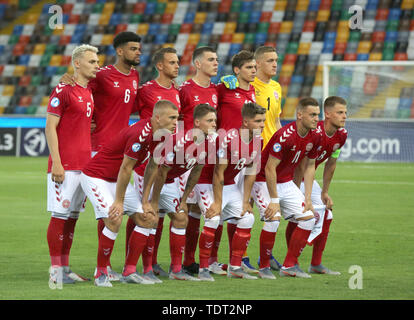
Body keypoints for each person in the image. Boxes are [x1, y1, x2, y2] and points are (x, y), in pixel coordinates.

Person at [60, 31, 142, 281]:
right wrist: (67, 80)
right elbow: (78, 91)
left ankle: (103, 267)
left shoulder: (135, 76)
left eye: (139, 49)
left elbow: (130, 106)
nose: (138, 52)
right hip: (99, 150)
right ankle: (71, 268)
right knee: (76, 211)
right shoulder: (103, 75)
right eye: (133, 48)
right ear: (119, 51)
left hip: (122, 151)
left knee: (114, 210)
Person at [80, 100, 179, 287]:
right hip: (96, 177)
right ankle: (101, 272)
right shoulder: (140, 133)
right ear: (158, 118)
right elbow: (126, 168)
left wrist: (145, 201)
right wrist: (119, 201)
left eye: (177, 118)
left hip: (116, 179)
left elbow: (152, 166)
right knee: (115, 218)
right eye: (172, 118)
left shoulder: (163, 135)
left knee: (147, 217)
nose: (176, 122)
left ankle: (130, 271)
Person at [45, 44, 100, 289]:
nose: (96, 65)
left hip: (84, 166)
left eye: (97, 61)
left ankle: (65, 268)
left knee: (72, 218)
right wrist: (56, 162)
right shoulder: (63, 90)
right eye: (91, 61)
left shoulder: (87, 92)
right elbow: (50, 127)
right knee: (60, 215)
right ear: (77, 63)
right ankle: (56, 271)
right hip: (64, 165)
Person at [146, 103, 218, 281]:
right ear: (197, 123)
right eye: (210, 120)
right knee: (150, 219)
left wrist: (184, 199)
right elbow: (160, 171)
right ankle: (147, 268)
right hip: (150, 178)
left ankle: (176, 270)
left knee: (180, 218)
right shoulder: (180, 141)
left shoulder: (208, 143)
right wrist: (154, 201)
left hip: (169, 181)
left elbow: (196, 171)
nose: (214, 124)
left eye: (215, 120)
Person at [252, 97, 322, 278]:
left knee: (308, 218)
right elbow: (269, 168)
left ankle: (289, 266)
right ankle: (264, 267)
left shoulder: (315, 136)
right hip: (263, 181)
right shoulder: (285, 136)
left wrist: (307, 197)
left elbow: (309, 166)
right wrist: (275, 201)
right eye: (312, 114)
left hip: (285, 182)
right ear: (300, 115)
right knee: (273, 220)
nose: (316, 118)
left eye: (318, 114)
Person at [195, 102, 265, 280]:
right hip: (206, 183)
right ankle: (203, 268)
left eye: (263, 121)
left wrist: (245, 201)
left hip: (229, 184)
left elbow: (250, 171)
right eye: (258, 121)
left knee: (248, 217)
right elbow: (217, 172)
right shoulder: (229, 138)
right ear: (246, 122)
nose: (262, 125)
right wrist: (217, 203)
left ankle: (235, 266)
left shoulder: (259, 140)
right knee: (213, 218)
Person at [131, 47, 181, 278]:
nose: (177, 66)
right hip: (146, 163)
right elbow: (121, 109)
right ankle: (142, 266)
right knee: (146, 213)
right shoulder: (145, 91)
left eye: (178, 62)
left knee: (160, 214)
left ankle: (152, 263)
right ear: (160, 66)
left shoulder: (179, 91)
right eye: (172, 62)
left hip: (169, 161)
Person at [293, 96, 348, 275]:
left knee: (327, 213)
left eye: (345, 112)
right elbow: (301, 164)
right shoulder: (315, 132)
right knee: (302, 215)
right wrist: (301, 195)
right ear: (328, 114)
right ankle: (290, 261)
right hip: (292, 177)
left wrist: (324, 192)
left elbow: (331, 163)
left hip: (307, 179)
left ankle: (316, 264)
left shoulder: (342, 135)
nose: (344, 116)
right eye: (340, 112)